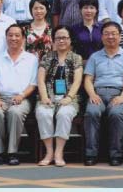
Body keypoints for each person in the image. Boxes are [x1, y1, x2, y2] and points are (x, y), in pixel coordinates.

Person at [83, 21, 123, 167]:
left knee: (116, 114)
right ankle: (91, 154)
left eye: (114, 34)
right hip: (98, 93)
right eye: (106, 34)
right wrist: (92, 94)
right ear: (102, 37)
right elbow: (88, 79)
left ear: (120, 36)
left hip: (118, 94)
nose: (110, 37)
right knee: (91, 112)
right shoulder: (95, 56)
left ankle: (116, 155)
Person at [0, 24, 39, 166]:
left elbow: (33, 84)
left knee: (15, 112)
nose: (13, 38)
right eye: (10, 35)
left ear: (23, 38)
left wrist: (21, 96)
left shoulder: (32, 59)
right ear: (6, 37)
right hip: (0, 97)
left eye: (17, 35)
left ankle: (12, 152)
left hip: (22, 98)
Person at [34, 26, 83, 167]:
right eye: (58, 38)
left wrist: (69, 97)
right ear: (53, 40)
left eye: (64, 38)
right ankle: (49, 152)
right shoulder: (47, 57)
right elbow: (40, 79)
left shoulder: (76, 58)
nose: (61, 41)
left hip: (69, 98)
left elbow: (77, 80)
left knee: (64, 114)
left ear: (70, 40)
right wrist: (44, 97)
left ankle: (59, 152)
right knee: (43, 113)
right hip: (48, 96)